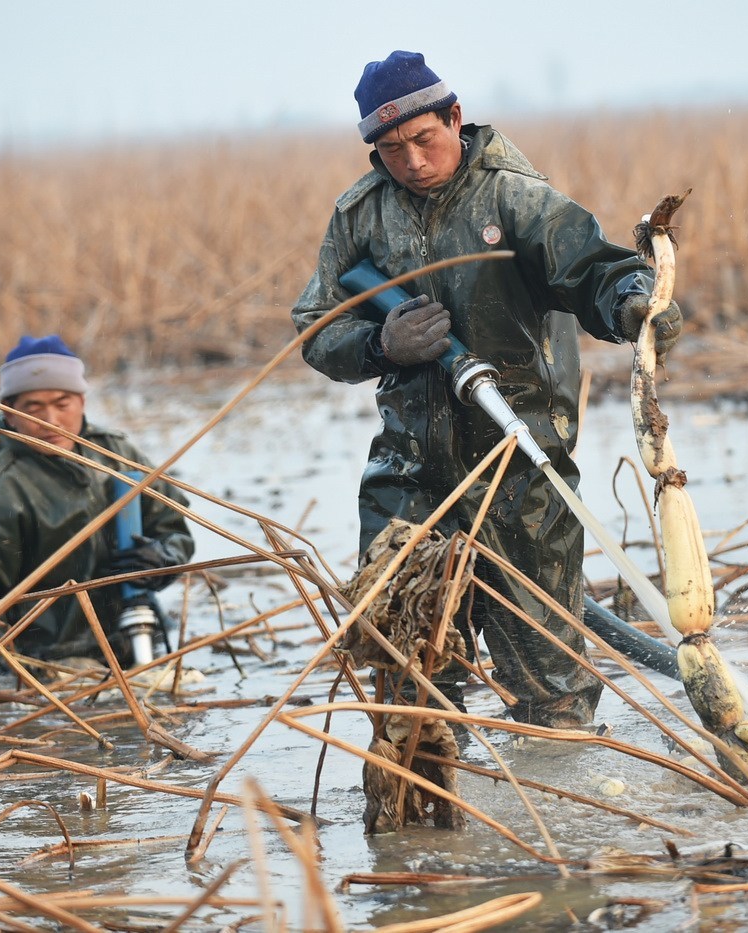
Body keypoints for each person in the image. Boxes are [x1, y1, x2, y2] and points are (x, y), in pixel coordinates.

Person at [291, 51, 682, 728]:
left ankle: (561, 805)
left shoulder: (516, 197)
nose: (411, 160)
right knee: (408, 682)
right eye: (389, 149)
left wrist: (633, 304)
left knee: (549, 679)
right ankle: (425, 821)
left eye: (423, 138)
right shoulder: (361, 216)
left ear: (454, 116)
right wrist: (380, 345)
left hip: (520, 467)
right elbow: (316, 328)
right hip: (408, 476)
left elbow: (592, 270)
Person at [0, 335, 195, 668]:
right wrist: (24, 675)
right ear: (10, 412)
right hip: (54, 666)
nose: (50, 419)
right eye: (33, 407)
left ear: (81, 402)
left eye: (62, 404)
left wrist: (161, 560)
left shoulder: (117, 455)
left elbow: (174, 530)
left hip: (137, 643)